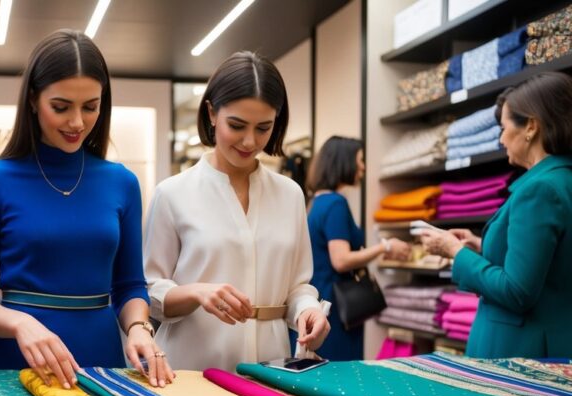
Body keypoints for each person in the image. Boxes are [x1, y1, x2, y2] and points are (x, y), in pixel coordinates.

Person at [0, 29, 173, 388]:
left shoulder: (122, 183)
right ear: (34, 100)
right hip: (13, 362)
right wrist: (19, 323)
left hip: (102, 361)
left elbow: (130, 285)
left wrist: (139, 328)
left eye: (91, 107)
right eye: (61, 107)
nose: (77, 122)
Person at [143, 51, 330, 371]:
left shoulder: (290, 194)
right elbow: (150, 291)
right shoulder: (173, 193)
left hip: (271, 364)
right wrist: (197, 292)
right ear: (212, 113)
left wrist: (307, 309)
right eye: (237, 125)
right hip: (190, 365)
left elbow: (298, 285)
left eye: (263, 128)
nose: (249, 140)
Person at [421, 72, 572, 358]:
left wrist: (455, 252)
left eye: (503, 128)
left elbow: (517, 291)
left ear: (531, 127)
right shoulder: (561, 180)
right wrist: (481, 246)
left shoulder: (540, 190)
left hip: (519, 350)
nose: (501, 139)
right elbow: (552, 265)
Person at [304, 136, 410, 360]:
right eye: (360, 160)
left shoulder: (316, 202)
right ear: (345, 162)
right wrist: (385, 246)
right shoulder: (336, 203)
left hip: (321, 301)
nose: (363, 166)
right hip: (337, 309)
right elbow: (341, 260)